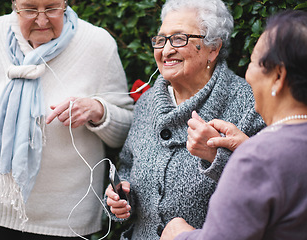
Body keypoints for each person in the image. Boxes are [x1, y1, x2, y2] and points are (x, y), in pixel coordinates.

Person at [105, 0, 265, 239]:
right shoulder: (147, 103)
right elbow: (127, 165)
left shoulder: (250, 104)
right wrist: (122, 197)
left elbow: (267, 190)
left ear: (213, 48)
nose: (166, 50)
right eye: (161, 40)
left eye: (179, 39)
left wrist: (216, 157)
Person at [0, 0, 133, 239]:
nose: (42, 20)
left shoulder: (98, 44)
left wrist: (98, 111)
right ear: (14, 4)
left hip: (65, 222)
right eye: (30, 9)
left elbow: (126, 132)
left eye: (53, 8)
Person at [161, 9, 307, 240]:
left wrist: (179, 235)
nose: (247, 74)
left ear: (278, 77)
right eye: (161, 40)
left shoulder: (257, 156)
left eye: (252, 62)